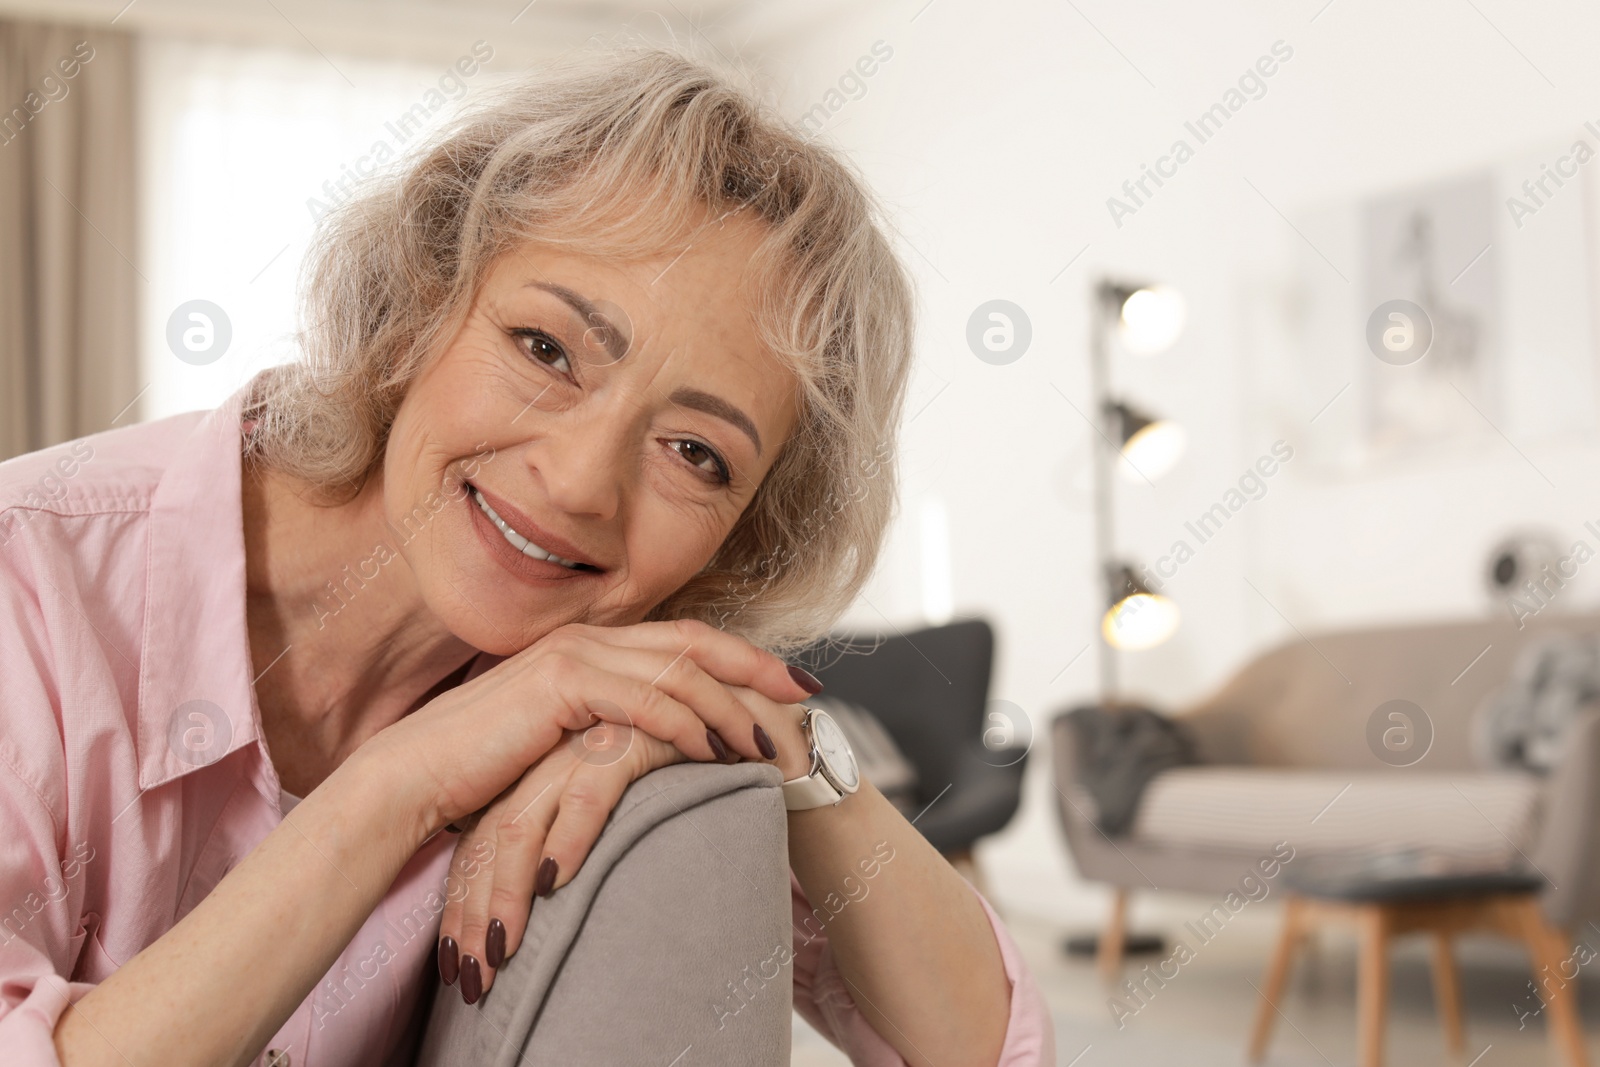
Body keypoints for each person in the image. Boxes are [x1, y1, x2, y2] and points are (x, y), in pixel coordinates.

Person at [0, 47, 1052, 1066]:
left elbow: (985, 1048)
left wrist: (784, 749)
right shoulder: (29, 583)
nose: (582, 481)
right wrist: (397, 787)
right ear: (418, 307)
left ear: (746, 534)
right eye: (546, 349)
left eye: (695, 452)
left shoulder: (608, 685)